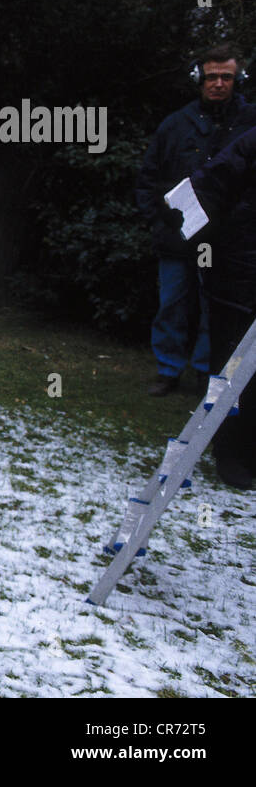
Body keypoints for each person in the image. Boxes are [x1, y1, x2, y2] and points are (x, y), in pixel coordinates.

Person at [136, 44, 256, 396]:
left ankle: (209, 374)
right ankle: (168, 370)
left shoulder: (250, 124)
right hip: (176, 239)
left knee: (216, 310)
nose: (218, 83)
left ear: (239, 79)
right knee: (171, 305)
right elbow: (148, 179)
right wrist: (159, 221)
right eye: (211, 77)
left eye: (227, 77)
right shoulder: (175, 125)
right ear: (199, 80)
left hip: (227, 242)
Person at [187, 116, 256, 489]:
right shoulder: (247, 144)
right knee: (233, 371)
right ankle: (231, 456)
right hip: (240, 279)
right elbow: (204, 189)